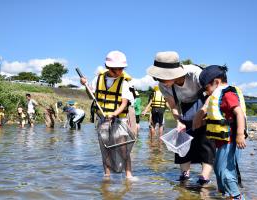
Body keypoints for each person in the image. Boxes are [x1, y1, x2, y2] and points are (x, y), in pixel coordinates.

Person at [146, 51, 215, 185]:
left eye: (162, 78)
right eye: (157, 78)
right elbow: (172, 104)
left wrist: (201, 115)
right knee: (182, 138)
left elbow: (213, 94)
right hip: (185, 107)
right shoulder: (163, 85)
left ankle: (204, 177)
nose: (160, 81)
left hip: (206, 103)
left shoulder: (195, 74)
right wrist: (179, 121)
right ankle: (185, 174)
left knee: (206, 140)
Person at [80, 50, 135, 180]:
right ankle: (107, 174)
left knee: (123, 148)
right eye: (117, 69)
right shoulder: (98, 79)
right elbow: (91, 96)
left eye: (122, 68)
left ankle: (129, 174)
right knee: (105, 148)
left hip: (119, 121)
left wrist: (114, 114)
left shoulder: (124, 82)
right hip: (102, 119)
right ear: (108, 68)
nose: (120, 71)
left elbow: (124, 103)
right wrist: (85, 85)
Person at [199, 65, 247, 199]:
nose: (205, 92)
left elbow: (239, 113)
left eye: (206, 88)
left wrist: (240, 134)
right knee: (218, 168)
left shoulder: (228, 95)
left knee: (226, 171)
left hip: (231, 140)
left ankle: (236, 196)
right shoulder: (218, 96)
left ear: (216, 82)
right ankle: (226, 194)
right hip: (222, 141)